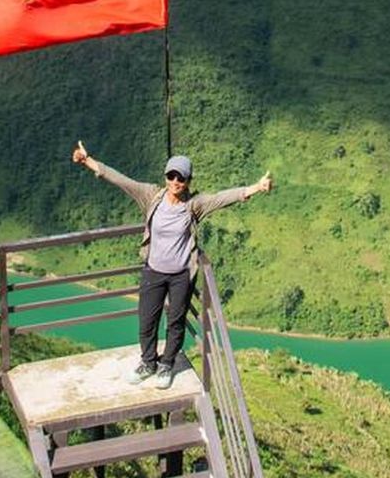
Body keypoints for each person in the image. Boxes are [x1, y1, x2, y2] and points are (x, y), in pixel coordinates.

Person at [73, 141, 271, 389]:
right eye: (171, 176)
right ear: (165, 176)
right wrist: (87, 160)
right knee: (147, 320)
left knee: (176, 321)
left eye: (181, 178)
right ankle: (148, 362)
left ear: (188, 181)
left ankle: (167, 365)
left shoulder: (194, 205)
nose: (175, 181)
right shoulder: (150, 195)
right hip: (153, 271)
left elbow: (224, 198)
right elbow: (120, 179)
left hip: (180, 276)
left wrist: (257, 187)